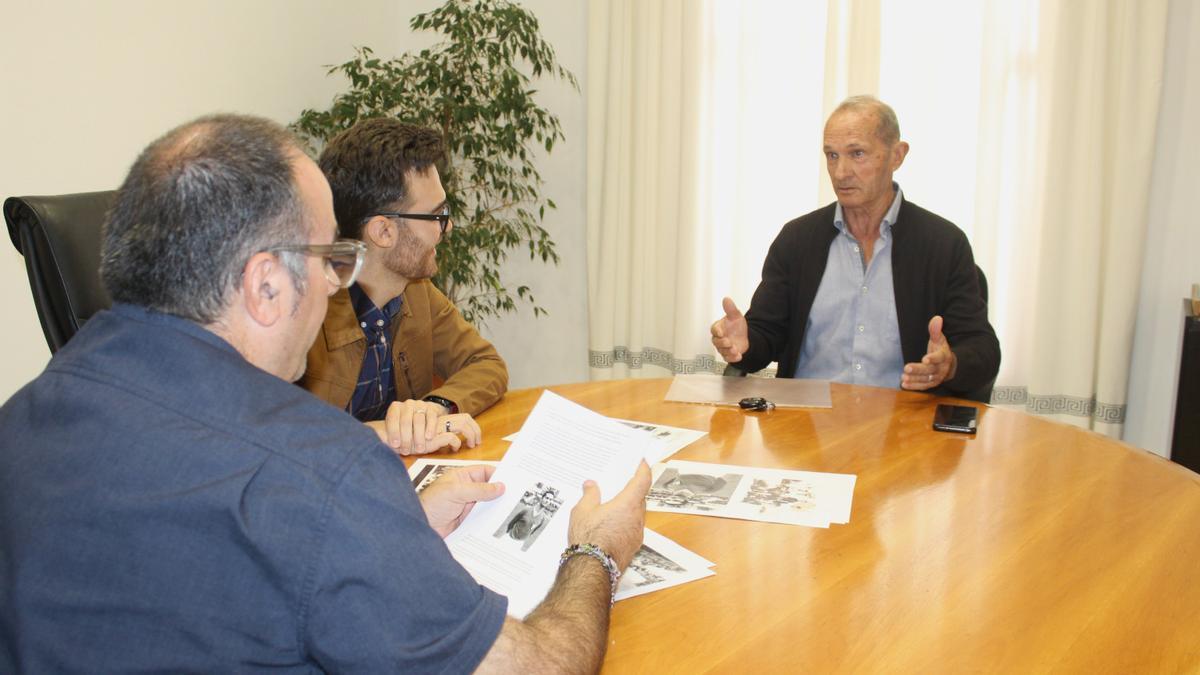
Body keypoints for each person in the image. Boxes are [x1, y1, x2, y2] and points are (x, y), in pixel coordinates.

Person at [0, 114, 650, 673]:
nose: (339, 286)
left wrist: (379, 527)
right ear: (265, 286)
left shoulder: (21, 422)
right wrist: (596, 549)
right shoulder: (322, 469)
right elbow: (539, 664)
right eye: (329, 262)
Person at [711, 96, 1000, 399]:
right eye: (832, 156)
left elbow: (982, 349)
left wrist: (950, 364)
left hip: (902, 428)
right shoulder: (797, 240)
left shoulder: (943, 245)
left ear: (897, 155)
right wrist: (745, 343)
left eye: (857, 154)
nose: (840, 172)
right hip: (804, 425)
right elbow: (765, 335)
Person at [300, 118, 508, 455]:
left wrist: (433, 408)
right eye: (437, 215)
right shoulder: (304, 309)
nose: (449, 226)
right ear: (383, 232)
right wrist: (377, 434)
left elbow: (485, 364)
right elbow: (270, 436)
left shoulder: (414, 291)